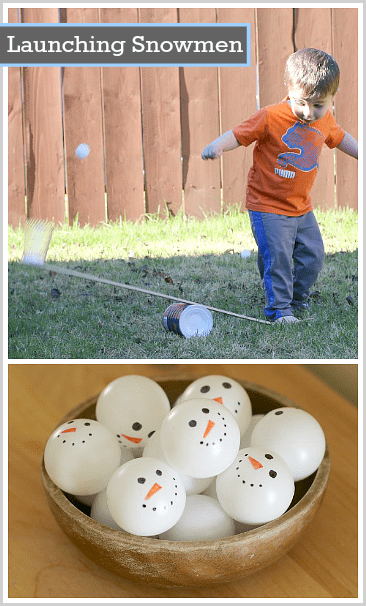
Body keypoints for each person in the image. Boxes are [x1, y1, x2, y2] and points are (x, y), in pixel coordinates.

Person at [201, 48, 358, 324]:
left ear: (333, 97)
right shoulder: (271, 116)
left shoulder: (326, 120)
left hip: (301, 207)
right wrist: (217, 146)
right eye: (302, 103)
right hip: (268, 206)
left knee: (313, 255)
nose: (309, 113)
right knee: (278, 259)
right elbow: (239, 134)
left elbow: (341, 138)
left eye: (319, 105)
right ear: (289, 89)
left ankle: (297, 298)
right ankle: (280, 311)